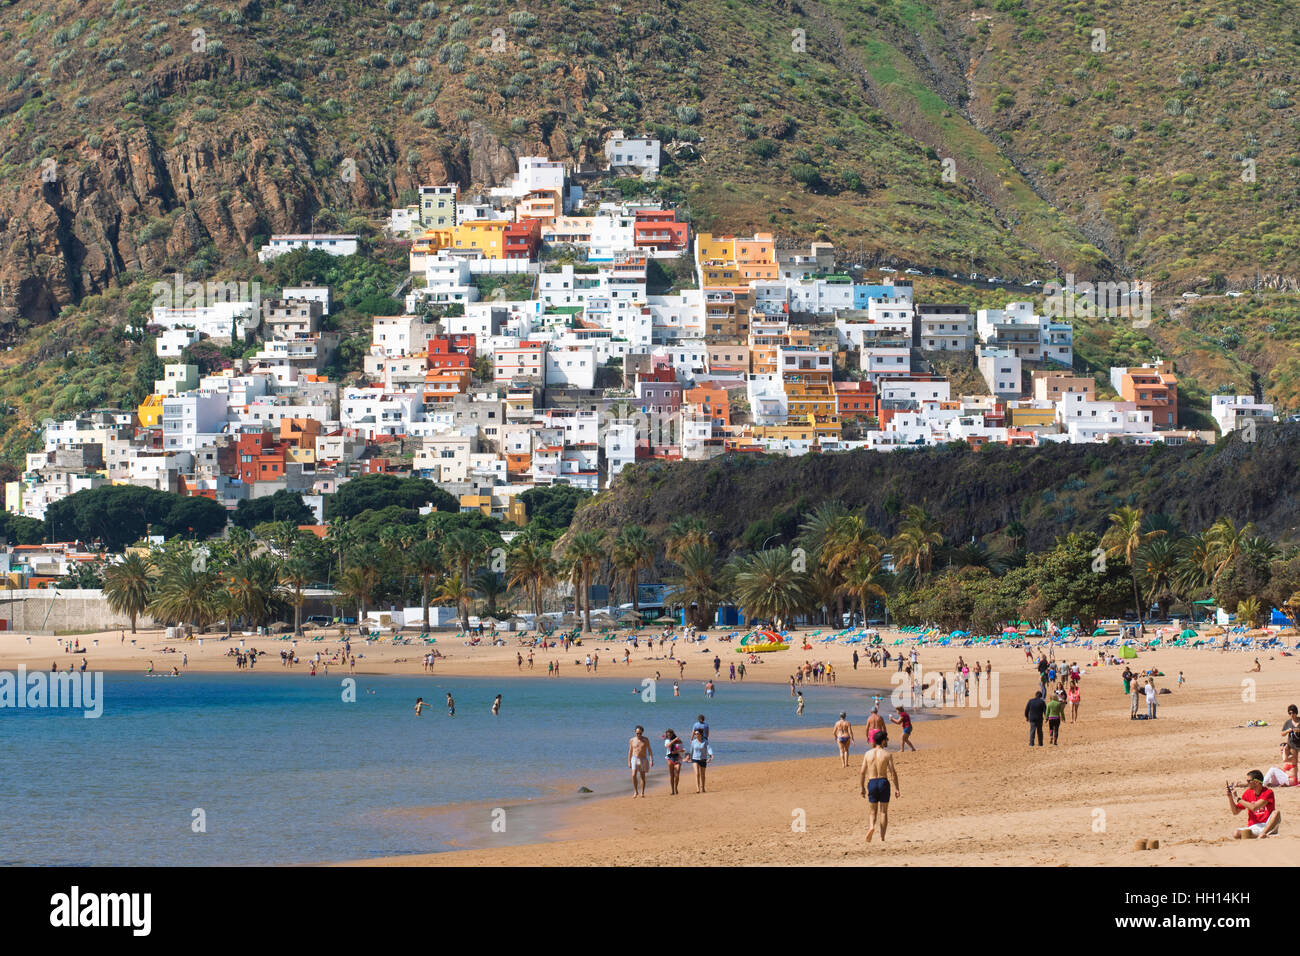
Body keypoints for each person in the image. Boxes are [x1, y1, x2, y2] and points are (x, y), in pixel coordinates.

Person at [859, 730, 900, 842]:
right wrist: (897, 788)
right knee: (883, 811)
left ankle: (872, 826)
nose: (887, 741)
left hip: (872, 782)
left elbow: (862, 772)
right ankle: (882, 837)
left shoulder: (867, 754)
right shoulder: (887, 754)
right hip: (883, 782)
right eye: (886, 739)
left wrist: (862, 787)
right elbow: (893, 773)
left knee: (873, 811)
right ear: (882, 741)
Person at [1228, 771, 1281, 839]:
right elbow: (1235, 812)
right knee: (1236, 833)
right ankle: (1263, 836)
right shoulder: (1247, 793)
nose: (1247, 783)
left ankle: (1264, 834)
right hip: (1254, 827)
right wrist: (1230, 797)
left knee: (1276, 813)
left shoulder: (1268, 792)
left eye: (1249, 781)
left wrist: (1238, 799)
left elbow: (1254, 807)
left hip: (1268, 825)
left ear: (1256, 782)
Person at [628, 726, 653, 797]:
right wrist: (629, 761)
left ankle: (642, 792)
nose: (638, 735)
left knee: (642, 776)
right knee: (633, 775)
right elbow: (630, 751)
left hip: (643, 759)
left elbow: (649, 750)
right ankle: (636, 791)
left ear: (642, 732)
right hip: (634, 758)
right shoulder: (632, 740)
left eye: (640, 733)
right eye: (637, 733)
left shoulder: (645, 740)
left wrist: (651, 760)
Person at [689, 728, 713, 793]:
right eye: (695, 734)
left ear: (701, 734)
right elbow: (691, 750)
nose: (696, 735)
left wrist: (711, 755)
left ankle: (703, 787)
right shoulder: (693, 742)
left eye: (697, 734)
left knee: (703, 774)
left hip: (703, 759)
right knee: (697, 774)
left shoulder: (705, 741)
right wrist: (689, 758)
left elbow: (709, 748)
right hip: (695, 759)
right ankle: (697, 788)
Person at [663, 729, 685, 795]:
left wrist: (677, 751)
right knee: (671, 775)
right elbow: (667, 745)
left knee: (677, 773)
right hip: (669, 757)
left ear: (673, 734)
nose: (669, 736)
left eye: (670, 735)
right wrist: (674, 740)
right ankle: (672, 790)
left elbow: (683, 750)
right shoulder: (667, 740)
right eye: (667, 735)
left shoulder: (678, 741)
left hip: (678, 758)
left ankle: (676, 787)